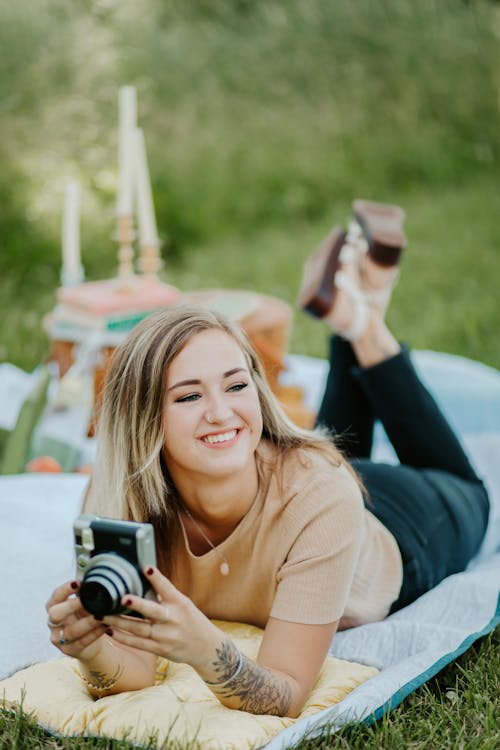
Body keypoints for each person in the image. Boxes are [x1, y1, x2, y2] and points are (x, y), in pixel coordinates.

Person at [45, 202, 489, 718]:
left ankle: (363, 327)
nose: (220, 412)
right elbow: (134, 671)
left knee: (466, 489)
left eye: (237, 385)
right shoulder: (116, 497)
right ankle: (351, 316)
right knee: (327, 451)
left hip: (398, 526)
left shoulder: (321, 496)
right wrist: (90, 648)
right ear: (144, 420)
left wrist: (201, 647)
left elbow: (286, 693)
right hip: (307, 492)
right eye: (188, 396)